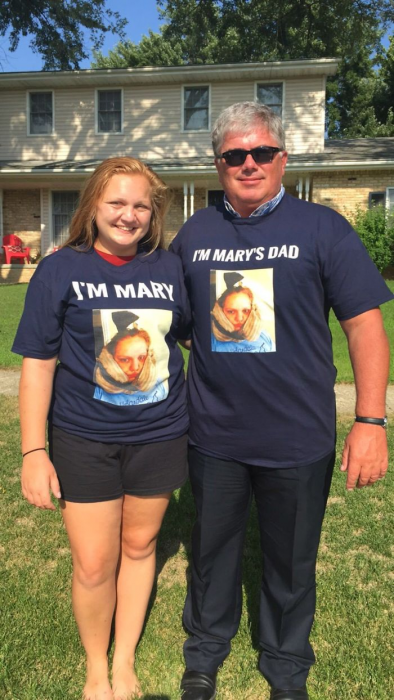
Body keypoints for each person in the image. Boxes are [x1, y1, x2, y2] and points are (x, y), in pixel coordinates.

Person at [170, 102, 393, 700]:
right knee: (212, 553)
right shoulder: (195, 234)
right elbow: (179, 320)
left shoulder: (322, 228)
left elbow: (364, 326)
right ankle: (205, 654)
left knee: (291, 562)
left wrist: (370, 420)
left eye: (261, 152)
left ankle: (286, 664)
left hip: (299, 437)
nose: (249, 164)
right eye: (234, 155)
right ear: (217, 165)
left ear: (283, 159)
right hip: (213, 434)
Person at [13, 157, 190, 700]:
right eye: (117, 202)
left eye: (141, 205)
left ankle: (124, 662)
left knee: (140, 546)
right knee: (93, 564)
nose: (129, 215)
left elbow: (186, 338)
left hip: (160, 433)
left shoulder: (168, 268)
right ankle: (96, 665)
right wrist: (33, 452)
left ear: (153, 213)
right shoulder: (59, 268)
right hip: (82, 436)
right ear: (93, 206)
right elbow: (38, 364)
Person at [211, 271, 274, 352]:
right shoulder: (212, 343)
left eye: (245, 311)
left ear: (253, 311)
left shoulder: (264, 336)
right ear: (220, 313)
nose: (239, 318)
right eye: (231, 312)